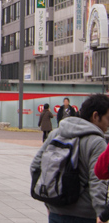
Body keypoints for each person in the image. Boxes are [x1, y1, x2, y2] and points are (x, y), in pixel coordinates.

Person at [32, 94, 109, 222]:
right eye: (107, 118)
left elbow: (36, 166)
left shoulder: (56, 133)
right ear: (95, 116)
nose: (108, 124)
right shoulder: (96, 141)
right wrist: (101, 214)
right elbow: (97, 181)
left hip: (55, 212)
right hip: (84, 215)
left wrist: (49, 201)